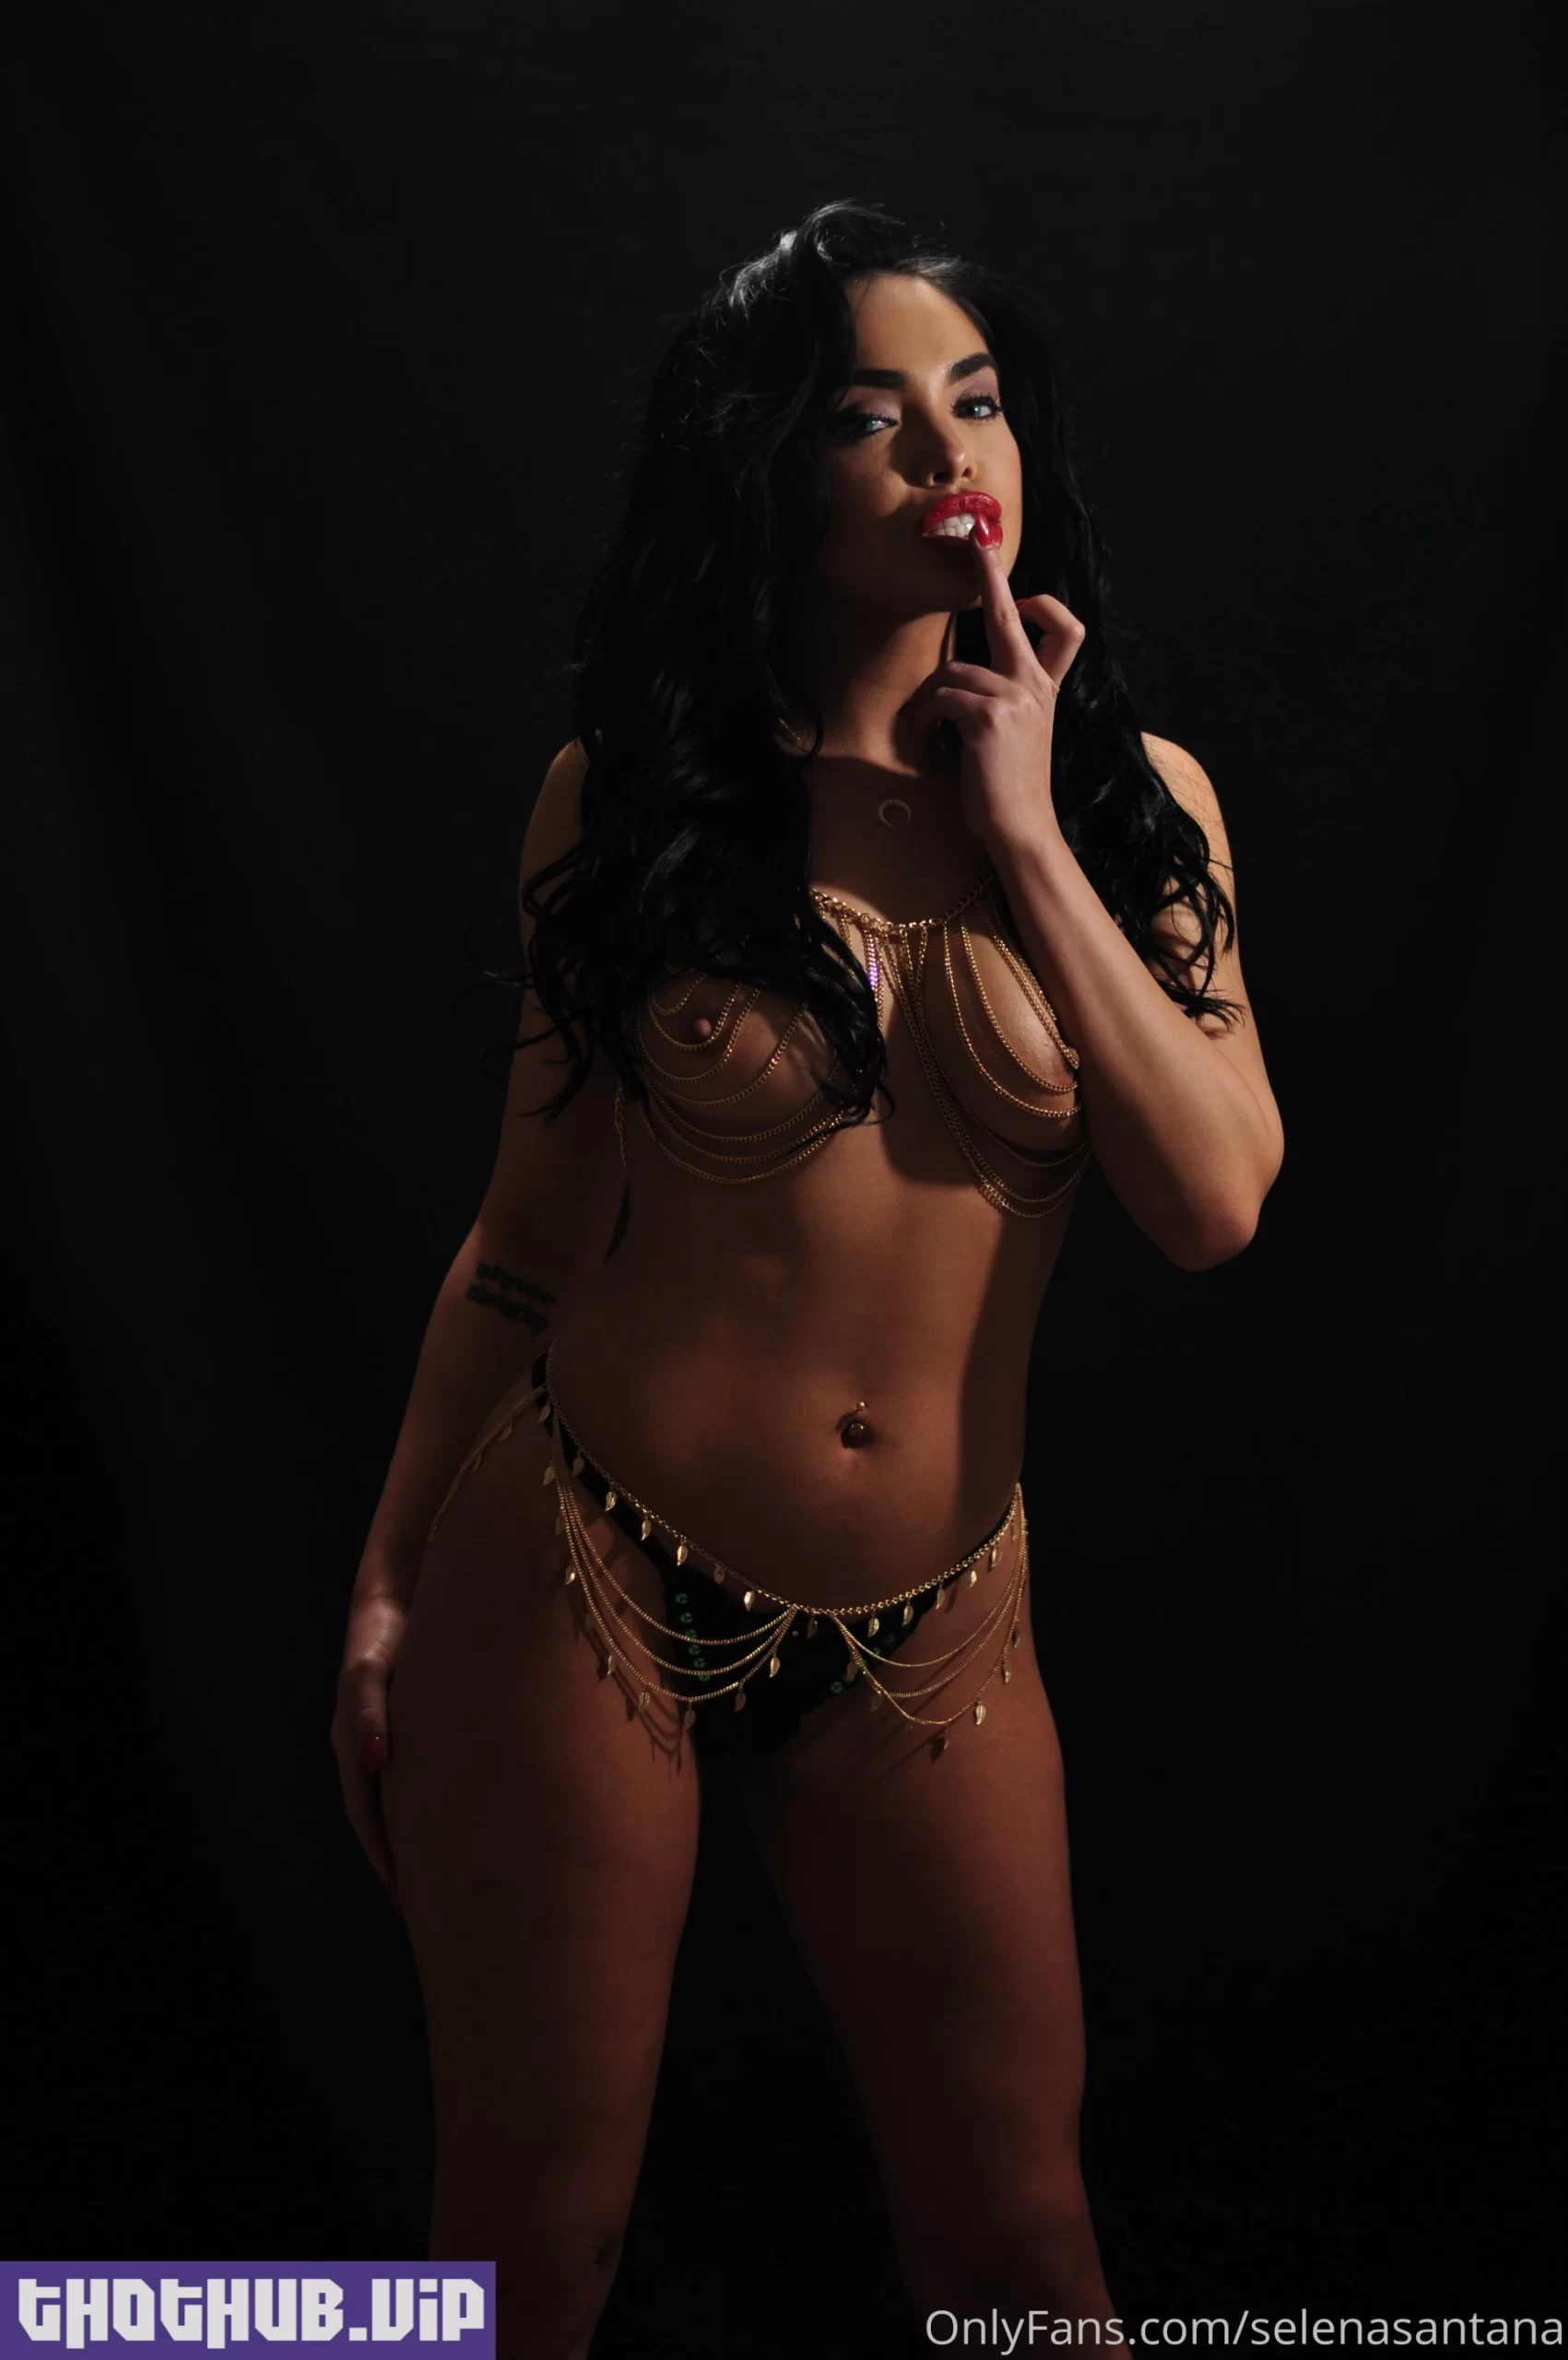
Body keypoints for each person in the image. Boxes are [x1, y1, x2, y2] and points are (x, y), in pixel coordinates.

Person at [332, 199, 1283, 2359]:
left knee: (1022, 2261)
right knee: (533, 2250)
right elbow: (524, 1238)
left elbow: (1214, 1199)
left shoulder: (1139, 812)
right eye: (870, 416)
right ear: (769, 465)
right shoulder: (635, 796)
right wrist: (384, 1578)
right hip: (584, 1560)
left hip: (937, 1619)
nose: (947, 451)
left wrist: (1024, 822)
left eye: (977, 399)